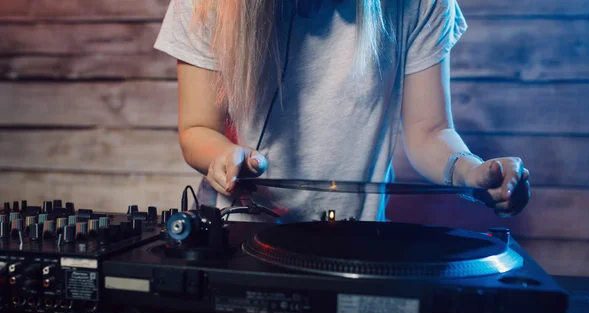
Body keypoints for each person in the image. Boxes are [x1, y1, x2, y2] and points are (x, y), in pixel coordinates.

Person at [155, 0, 530, 223]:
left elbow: (429, 130)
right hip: (236, 235)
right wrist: (223, 155)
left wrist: (470, 170)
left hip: (358, 241)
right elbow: (197, 128)